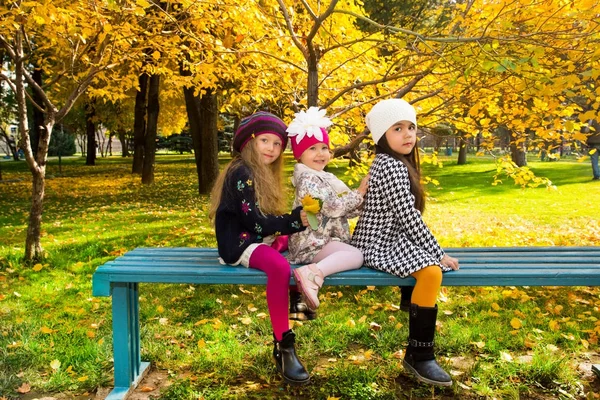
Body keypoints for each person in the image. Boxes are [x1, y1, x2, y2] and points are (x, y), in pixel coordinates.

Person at [351, 98, 460, 387]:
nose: (408, 134)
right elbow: (408, 217)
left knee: (428, 266)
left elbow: (405, 220)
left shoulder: (395, 163)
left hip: (391, 237)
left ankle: (409, 299)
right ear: (382, 137)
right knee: (432, 271)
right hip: (376, 243)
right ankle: (420, 356)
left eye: (411, 127)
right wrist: (439, 254)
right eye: (397, 128)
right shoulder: (390, 167)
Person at [209, 111, 310, 385]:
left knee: (299, 248)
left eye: (277, 144)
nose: (272, 149)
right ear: (248, 142)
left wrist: (291, 226)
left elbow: (263, 218)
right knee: (279, 266)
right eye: (265, 141)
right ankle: (284, 345)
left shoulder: (257, 172)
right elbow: (254, 222)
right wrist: (292, 220)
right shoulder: (242, 172)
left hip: (255, 236)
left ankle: (299, 303)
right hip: (240, 242)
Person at [286, 107, 368, 312]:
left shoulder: (324, 177)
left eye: (324, 147)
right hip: (311, 244)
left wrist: (363, 203)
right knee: (356, 256)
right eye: (312, 149)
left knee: (358, 253)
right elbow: (331, 208)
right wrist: (358, 193)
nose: (320, 153)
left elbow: (342, 210)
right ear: (299, 154)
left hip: (322, 241)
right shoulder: (307, 179)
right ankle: (313, 274)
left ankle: (310, 279)